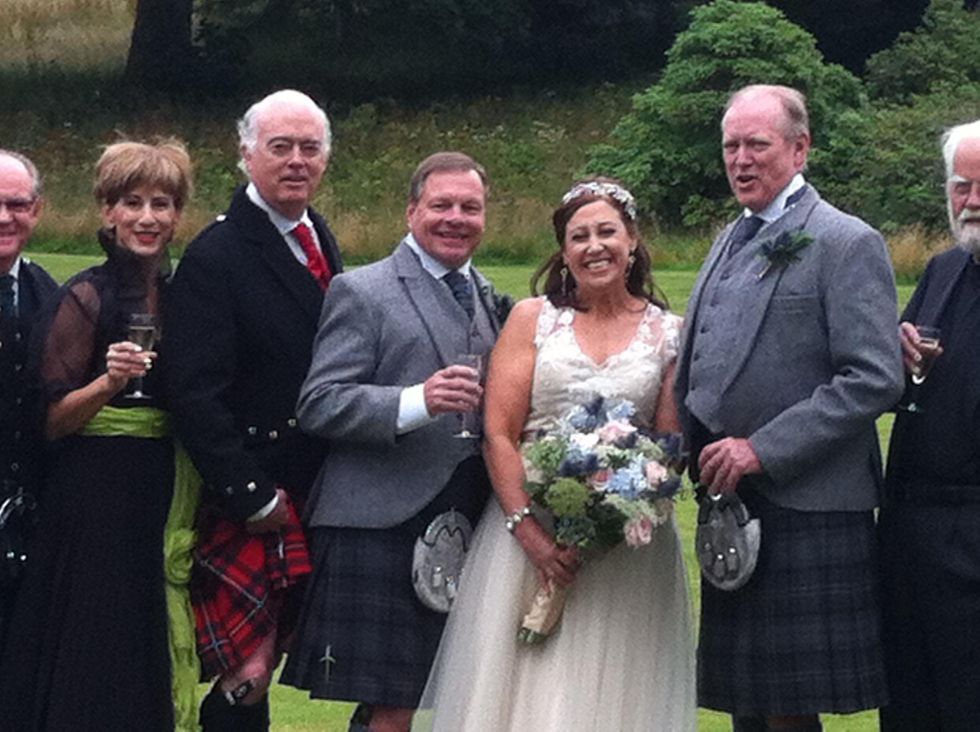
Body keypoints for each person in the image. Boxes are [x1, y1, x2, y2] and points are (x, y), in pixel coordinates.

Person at [415, 177, 696, 731]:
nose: (595, 246)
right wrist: (533, 536)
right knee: (528, 692)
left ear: (633, 240)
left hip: (627, 550)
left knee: (616, 694)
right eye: (579, 236)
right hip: (526, 538)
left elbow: (668, 446)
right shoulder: (532, 319)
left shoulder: (669, 334)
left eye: (607, 232)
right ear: (563, 251)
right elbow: (499, 432)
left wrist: (616, 511)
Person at [674, 84, 904, 731]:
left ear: (799, 149)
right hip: (734, 503)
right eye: (730, 146)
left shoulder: (845, 241)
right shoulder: (729, 237)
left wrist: (761, 448)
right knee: (751, 704)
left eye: (757, 144)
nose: (740, 159)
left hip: (807, 503)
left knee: (787, 710)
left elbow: (874, 377)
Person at [282, 151, 506, 732]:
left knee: (446, 696)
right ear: (411, 212)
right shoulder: (363, 290)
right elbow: (319, 403)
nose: (455, 217)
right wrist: (417, 401)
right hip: (378, 520)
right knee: (391, 708)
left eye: (470, 207)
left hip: (462, 518)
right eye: (441, 205)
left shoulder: (487, 296)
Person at [164, 89, 343, 732]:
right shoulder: (217, 256)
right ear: (246, 155)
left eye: (309, 147)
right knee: (248, 666)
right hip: (259, 490)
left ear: (325, 157)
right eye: (280, 147)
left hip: (313, 481)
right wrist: (251, 496)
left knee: (272, 655)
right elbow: (191, 392)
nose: (296, 160)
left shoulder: (314, 232)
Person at [0, 139, 193, 731]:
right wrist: (108, 383)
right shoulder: (85, 297)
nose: (147, 218)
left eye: (161, 203)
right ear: (107, 211)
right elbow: (50, 421)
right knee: (94, 651)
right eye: (131, 202)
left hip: (160, 493)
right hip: (92, 503)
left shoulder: (184, 292)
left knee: (145, 648)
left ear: (178, 215)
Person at [878, 119, 980, 731]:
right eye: (961, 186)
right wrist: (898, 352)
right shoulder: (943, 270)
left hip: (972, 534)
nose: (972, 202)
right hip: (912, 536)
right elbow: (901, 379)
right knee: (913, 707)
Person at [0, 150, 57, 648]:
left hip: (23, 525)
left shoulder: (49, 296)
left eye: (16, 204)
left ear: (36, 211)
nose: (4, 217)